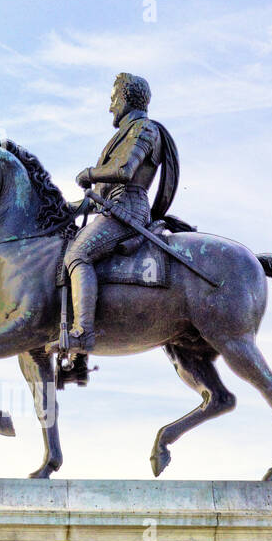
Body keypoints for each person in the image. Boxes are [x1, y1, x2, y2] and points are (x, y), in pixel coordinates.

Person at [57, 72, 179, 355]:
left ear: (125, 98)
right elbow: (99, 197)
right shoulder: (123, 135)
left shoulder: (144, 130)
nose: (110, 106)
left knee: (77, 255)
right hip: (113, 208)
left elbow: (124, 171)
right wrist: (65, 210)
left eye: (113, 98)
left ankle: (83, 333)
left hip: (128, 210)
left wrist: (88, 173)